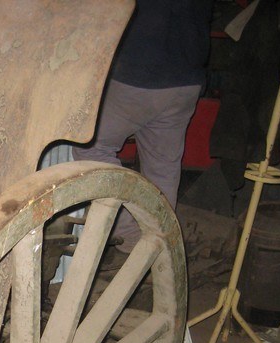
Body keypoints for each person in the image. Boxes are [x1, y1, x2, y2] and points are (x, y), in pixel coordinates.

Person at [73, 0, 213, 253]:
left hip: (137, 73)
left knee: (93, 148)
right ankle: (155, 244)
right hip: (187, 80)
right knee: (163, 166)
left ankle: (126, 233)